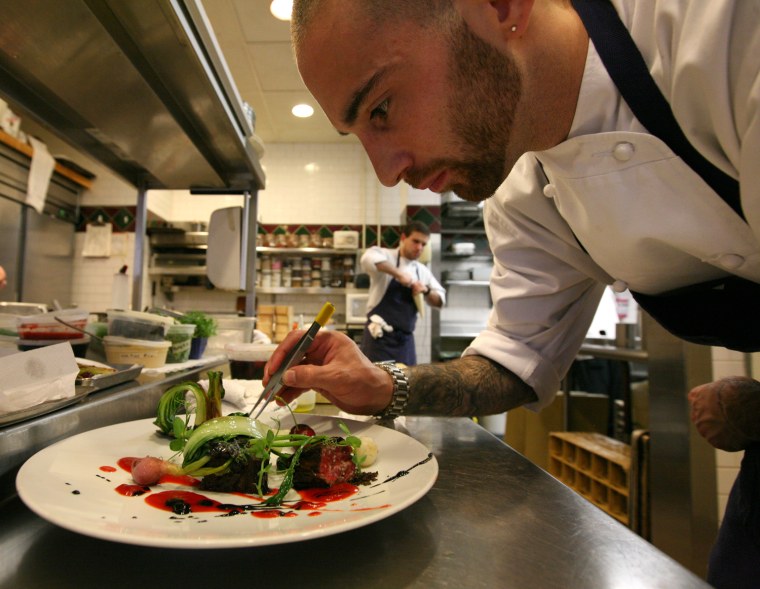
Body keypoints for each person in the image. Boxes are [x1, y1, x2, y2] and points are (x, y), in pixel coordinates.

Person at [263, 1, 760, 585]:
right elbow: (513, 363)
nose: (386, 172)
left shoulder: (721, 29)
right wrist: (383, 385)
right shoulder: (523, 185)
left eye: (382, 108)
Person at [359, 221, 445, 365]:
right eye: (415, 241)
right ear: (404, 238)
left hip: (404, 342)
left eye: (423, 244)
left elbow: (440, 301)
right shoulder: (385, 255)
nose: (419, 248)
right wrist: (399, 275)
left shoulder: (422, 271)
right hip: (378, 339)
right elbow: (367, 259)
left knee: (407, 384)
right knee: (373, 384)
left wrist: (426, 290)